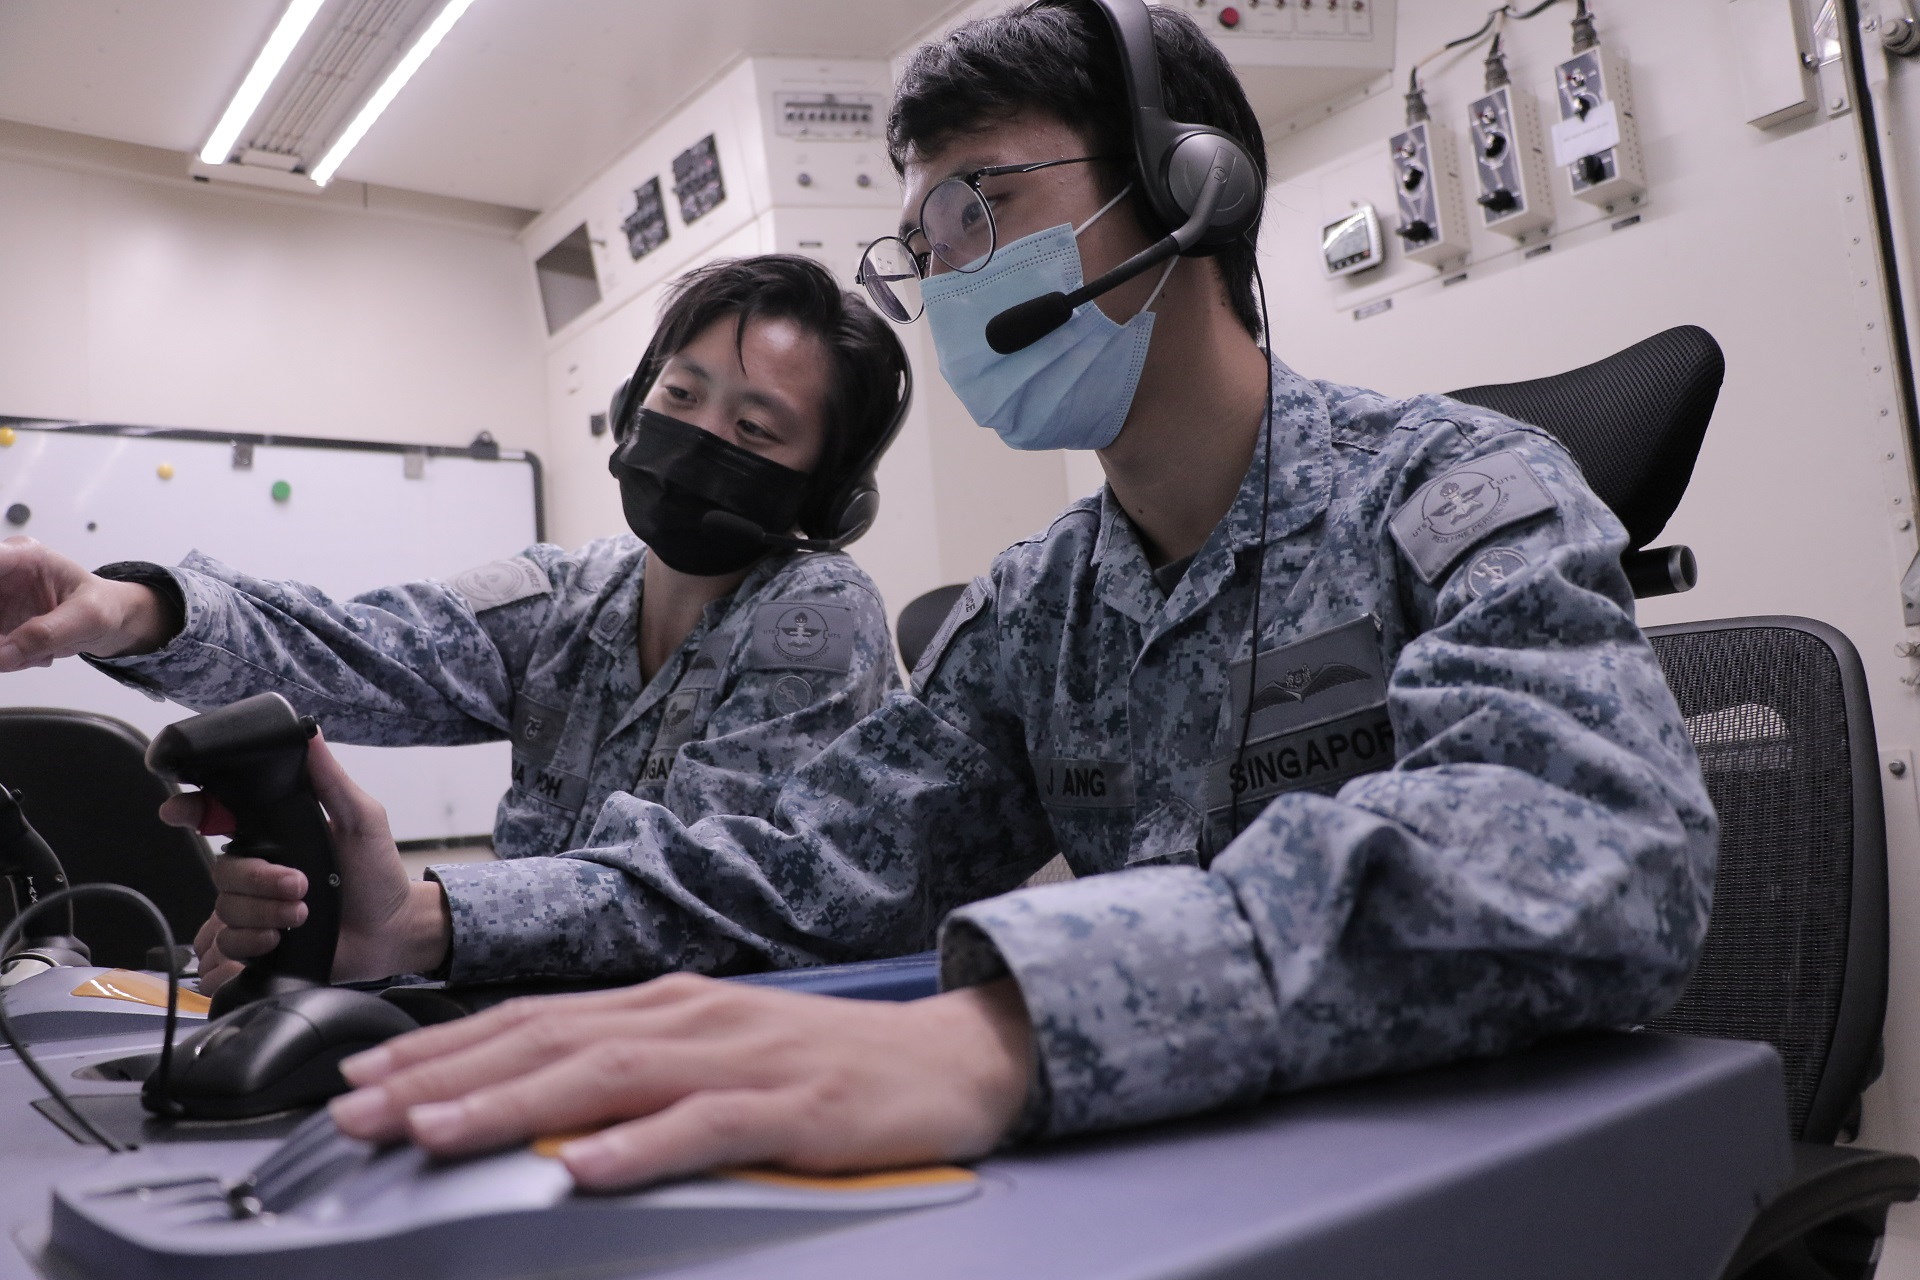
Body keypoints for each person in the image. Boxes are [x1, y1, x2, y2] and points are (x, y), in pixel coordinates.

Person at [246, 0, 1713, 1190]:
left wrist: (1013, 1027)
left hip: (1474, 1167)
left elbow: (1597, 849)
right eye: (924, 247)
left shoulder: (1453, 487)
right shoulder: (1038, 607)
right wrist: (431, 921)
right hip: (1197, 1165)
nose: (945, 280)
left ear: (1190, 190)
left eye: (979, 208)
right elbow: (813, 860)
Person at [0, 254, 912, 991]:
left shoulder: (819, 613)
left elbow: (709, 895)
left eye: (755, 430)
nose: (702, 435)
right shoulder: (570, 593)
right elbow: (357, 650)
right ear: (635, 403)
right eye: (681, 394)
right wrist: (133, 611)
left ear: (827, 494)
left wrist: (413, 923)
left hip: (721, 1057)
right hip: (527, 1024)